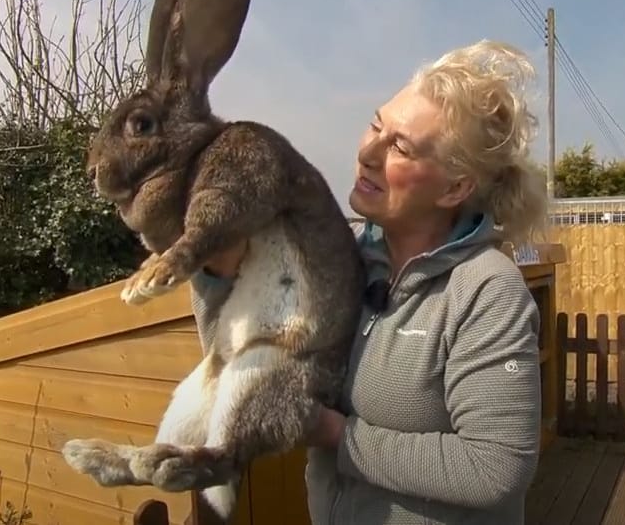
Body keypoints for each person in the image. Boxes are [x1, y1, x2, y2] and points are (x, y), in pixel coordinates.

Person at [190, 39, 547, 524]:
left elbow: (495, 467)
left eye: (400, 146)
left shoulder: (487, 291)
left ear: (454, 188)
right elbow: (238, 366)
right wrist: (217, 270)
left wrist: (335, 434)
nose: (368, 152)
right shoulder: (340, 258)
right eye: (377, 125)